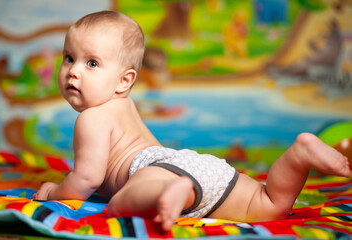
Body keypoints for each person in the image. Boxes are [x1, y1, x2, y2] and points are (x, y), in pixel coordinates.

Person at [33, 10, 351, 232]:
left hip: (159, 173)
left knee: (118, 205)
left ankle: (169, 194)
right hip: (199, 167)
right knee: (269, 204)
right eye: (68, 58)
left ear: (123, 80)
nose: (73, 71)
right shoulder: (124, 105)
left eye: (91, 63)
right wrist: (178, 177)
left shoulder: (91, 117)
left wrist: (53, 192)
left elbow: (86, 180)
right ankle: (299, 155)